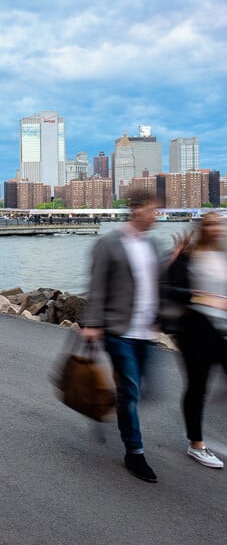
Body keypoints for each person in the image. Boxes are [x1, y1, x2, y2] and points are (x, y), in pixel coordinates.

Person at [82, 199, 161, 482]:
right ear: (137, 209)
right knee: (131, 393)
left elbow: (155, 284)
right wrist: (92, 323)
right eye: (153, 210)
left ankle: (112, 402)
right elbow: (96, 285)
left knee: (141, 391)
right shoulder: (110, 243)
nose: (156, 215)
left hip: (145, 332)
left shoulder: (152, 245)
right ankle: (135, 453)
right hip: (119, 331)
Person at [163, 211, 227, 469]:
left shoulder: (222, 256)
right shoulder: (190, 255)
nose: (216, 228)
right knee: (198, 387)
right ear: (202, 227)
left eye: (219, 224)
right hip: (196, 331)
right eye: (210, 224)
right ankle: (196, 444)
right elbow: (168, 289)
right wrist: (200, 297)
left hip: (223, 331)